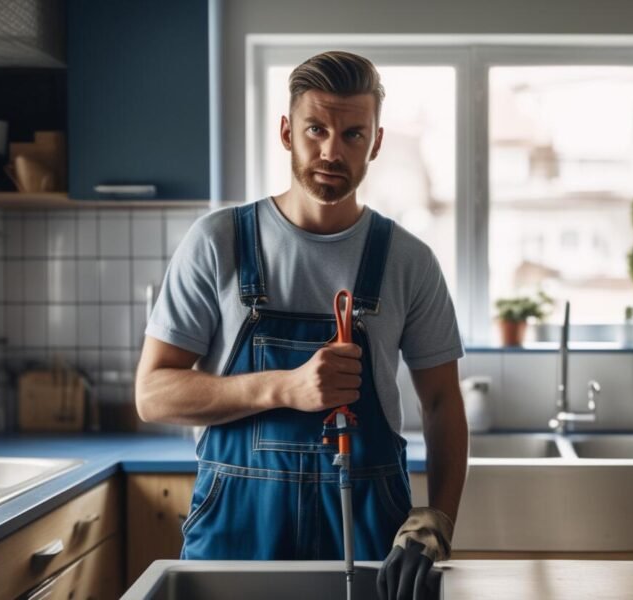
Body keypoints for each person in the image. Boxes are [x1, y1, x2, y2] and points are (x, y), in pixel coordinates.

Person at [135, 50, 468, 600]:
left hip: (368, 542)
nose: (332, 150)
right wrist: (285, 386)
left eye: (354, 134)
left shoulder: (409, 262)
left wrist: (438, 518)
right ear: (288, 131)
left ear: (377, 143)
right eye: (317, 129)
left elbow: (441, 402)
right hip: (235, 542)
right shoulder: (218, 243)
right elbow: (152, 394)